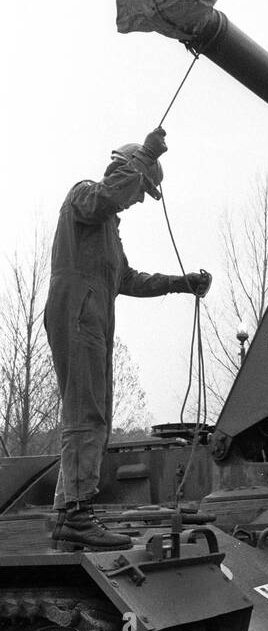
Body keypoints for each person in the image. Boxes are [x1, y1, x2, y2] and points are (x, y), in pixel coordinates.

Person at [45, 128, 210, 550]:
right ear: (126, 170)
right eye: (142, 189)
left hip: (91, 320)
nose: (140, 198)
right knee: (87, 414)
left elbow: (129, 279)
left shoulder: (108, 234)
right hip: (77, 314)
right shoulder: (85, 197)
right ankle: (78, 514)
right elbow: (109, 197)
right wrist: (144, 160)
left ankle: (69, 513)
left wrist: (180, 283)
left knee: (93, 414)